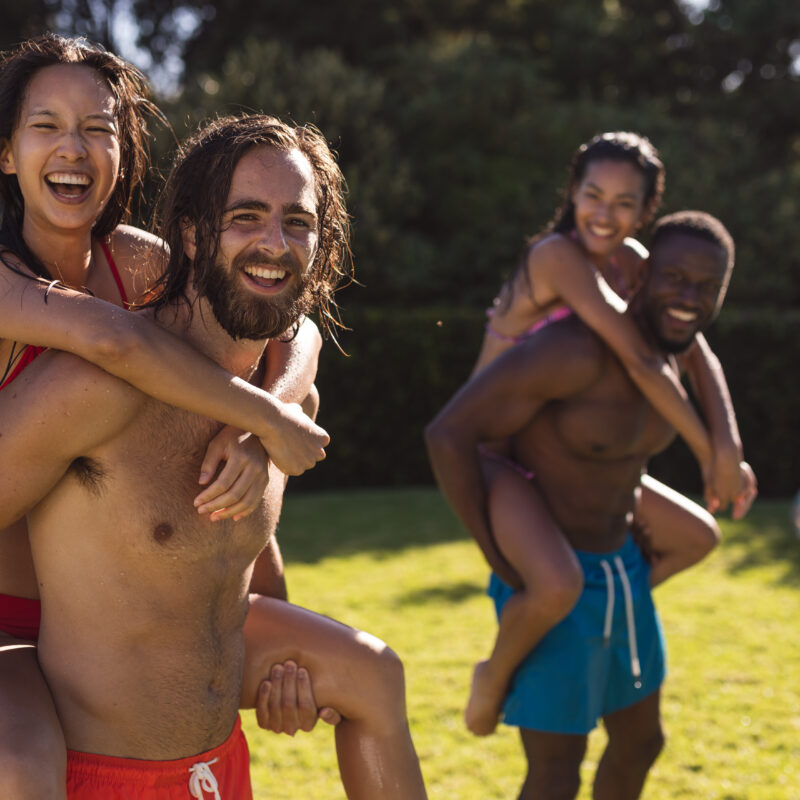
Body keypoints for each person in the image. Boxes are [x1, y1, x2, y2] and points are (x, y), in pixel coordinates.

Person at [0, 113, 428, 799]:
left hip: (218, 771)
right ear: (193, 236)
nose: (275, 243)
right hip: (97, 774)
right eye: (247, 216)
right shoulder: (98, 389)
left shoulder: (281, 404)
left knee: (373, 674)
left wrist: (284, 671)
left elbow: (228, 566)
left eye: (299, 222)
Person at [427, 211, 751, 798]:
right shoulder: (573, 350)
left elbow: (703, 354)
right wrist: (498, 557)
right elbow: (448, 433)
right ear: (642, 275)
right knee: (555, 772)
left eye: (707, 288)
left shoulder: (676, 352)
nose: (689, 297)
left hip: (622, 570)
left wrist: (726, 448)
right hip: (555, 574)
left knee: (640, 743)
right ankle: (494, 674)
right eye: (675, 278)